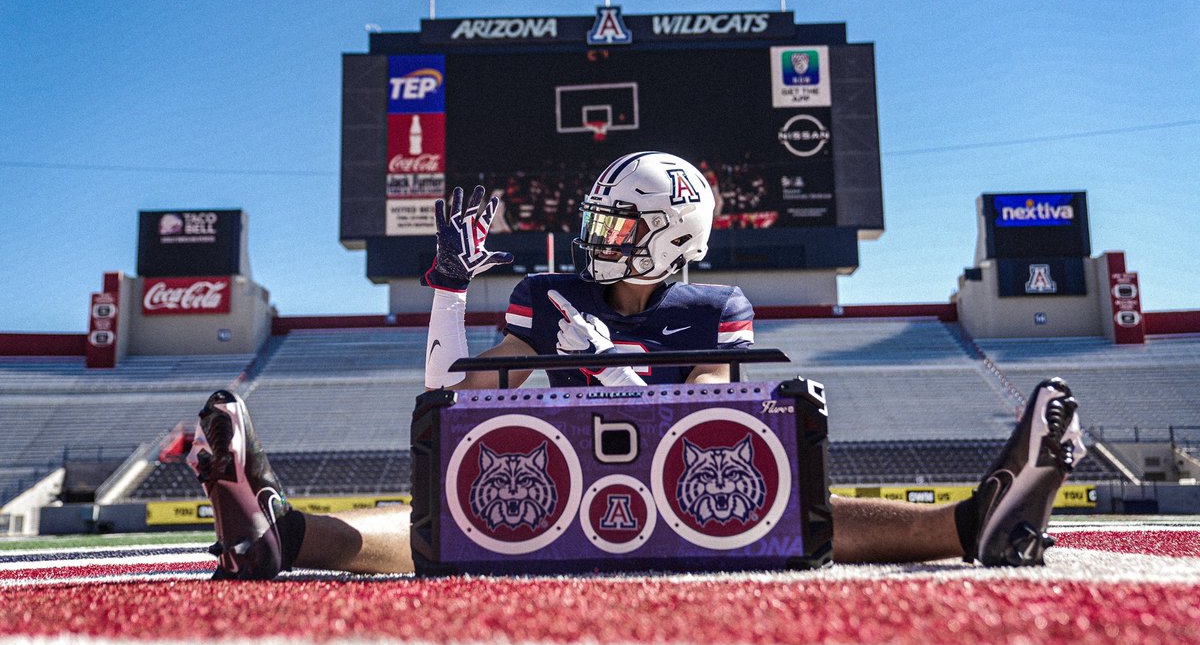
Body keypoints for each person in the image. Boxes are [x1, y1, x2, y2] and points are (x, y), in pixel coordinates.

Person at [187, 151, 1086, 579]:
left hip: (695, 513)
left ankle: (975, 525)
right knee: (434, 516)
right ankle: (282, 534)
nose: (596, 241)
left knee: (794, 505)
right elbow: (451, 407)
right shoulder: (547, 295)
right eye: (599, 224)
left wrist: (610, 364)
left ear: (670, 240)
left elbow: (707, 438)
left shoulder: (715, 310)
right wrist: (451, 292)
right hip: (555, 496)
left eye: (618, 228)